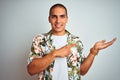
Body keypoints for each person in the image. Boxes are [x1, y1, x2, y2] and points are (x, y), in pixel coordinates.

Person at [27, 3, 116, 80]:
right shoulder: (39, 39)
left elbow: (82, 71)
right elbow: (31, 70)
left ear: (66, 19)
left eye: (62, 16)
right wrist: (55, 53)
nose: (58, 21)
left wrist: (93, 52)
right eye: (54, 17)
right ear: (49, 19)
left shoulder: (76, 41)